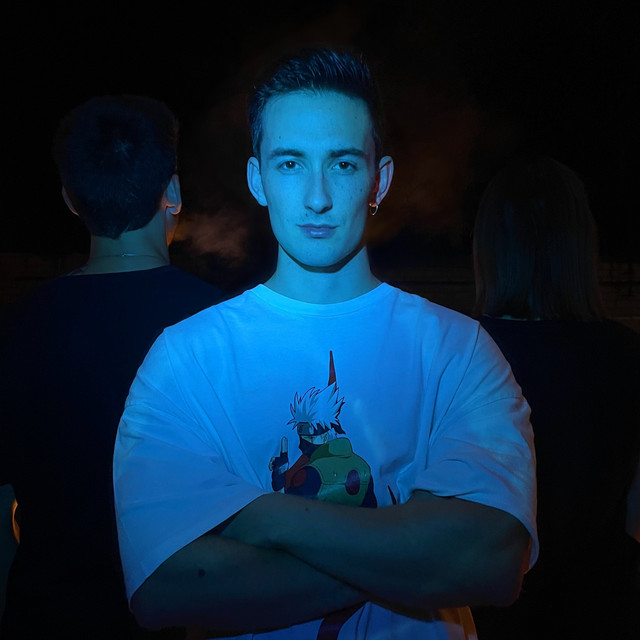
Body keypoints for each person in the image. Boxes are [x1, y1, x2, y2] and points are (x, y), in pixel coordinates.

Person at [113, 48, 538, 640]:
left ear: (378, 181)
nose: (317, 197)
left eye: (342, 164)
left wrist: (259, 517)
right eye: (290, 163)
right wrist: (413, 552)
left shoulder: (456, 350)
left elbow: (490, 560)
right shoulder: (184, 360)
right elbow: (167, 591)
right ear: (258, 179)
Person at [0, 94, 225, 639]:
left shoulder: (19, 326)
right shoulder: (221, 327)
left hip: (45, 620)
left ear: (70, 199)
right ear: (172, 193)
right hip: (186, 621)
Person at [470, 155, 640, 639]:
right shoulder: (627, 354)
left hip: (488, 611)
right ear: (581, 242)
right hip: (602, 610)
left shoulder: (462, 351)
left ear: (490, 245)